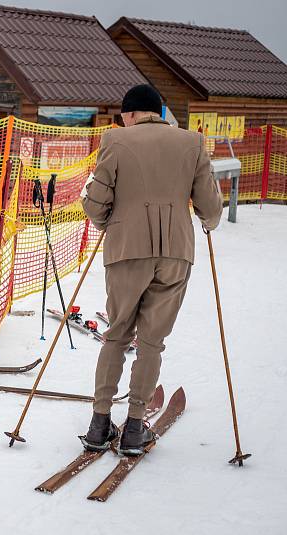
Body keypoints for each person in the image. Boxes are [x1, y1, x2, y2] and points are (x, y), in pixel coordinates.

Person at [79, 84, 223, 456]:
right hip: (176, 253)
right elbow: (210, 205)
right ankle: (135, 425)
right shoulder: (193, 143)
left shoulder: (116, 140)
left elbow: (95, 202)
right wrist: (208, 221)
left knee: (117, 334)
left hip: (126, 250)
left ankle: (99, 423)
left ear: (130, 113)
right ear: (157, 111)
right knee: (152, 342)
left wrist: (109, 220)